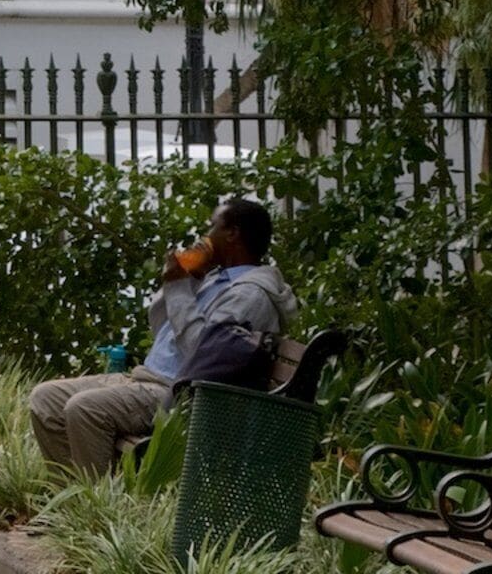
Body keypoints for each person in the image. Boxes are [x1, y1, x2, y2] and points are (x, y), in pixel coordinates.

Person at [25, 194, 296, 474]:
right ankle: (73, 499)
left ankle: (95, 510)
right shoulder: (216, 278)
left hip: (176, 392)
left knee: (85, 409)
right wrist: (181, 281)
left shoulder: (251, 294)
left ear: (232, 233)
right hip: (145, 377)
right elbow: (161, 329)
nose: (205, 235)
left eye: (212, 226)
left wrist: (179, 289)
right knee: (46, 399)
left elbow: (202, 356)